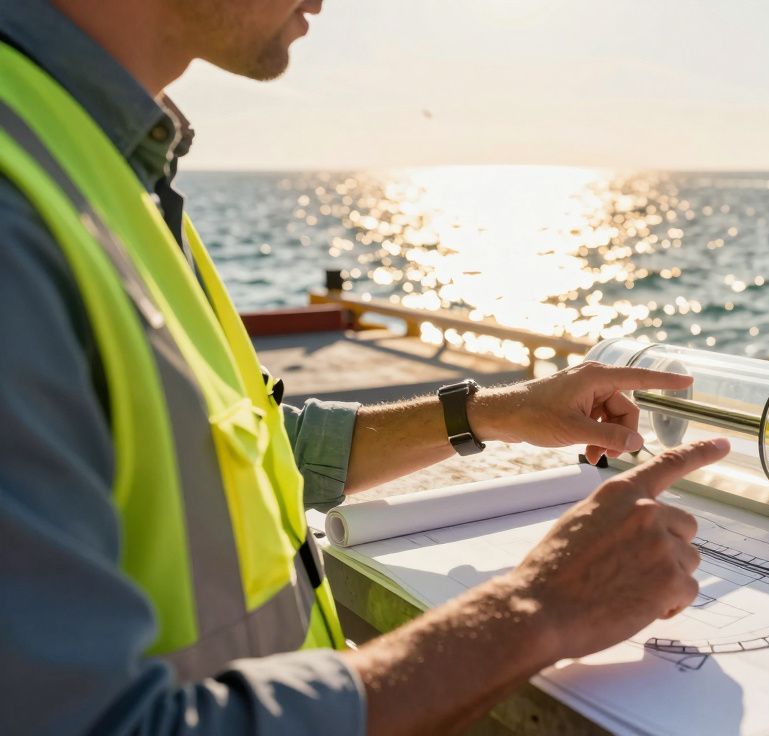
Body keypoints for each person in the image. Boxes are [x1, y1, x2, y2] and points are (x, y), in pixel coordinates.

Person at [0, 1, 730, 734]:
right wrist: (536, 609)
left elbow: (234, 456)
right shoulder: (18, 209)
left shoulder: (92, 158)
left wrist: (495, 413)